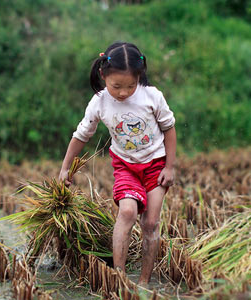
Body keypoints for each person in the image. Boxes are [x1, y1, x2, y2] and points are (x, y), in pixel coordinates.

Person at [58, 42, 176, 285]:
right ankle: (120, 277)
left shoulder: (152, 96)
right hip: (125, 166)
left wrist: (169, 166)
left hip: (155, 164)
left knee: (151, 223)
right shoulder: (100, 101)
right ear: (103, 76)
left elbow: (169, 128)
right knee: (127, 211)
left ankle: (144, 282)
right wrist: (64, 168)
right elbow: (82, 135)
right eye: (116, 86)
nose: (123, 92)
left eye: (130, 86)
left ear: (139, 76)